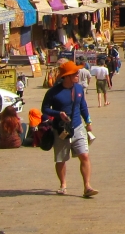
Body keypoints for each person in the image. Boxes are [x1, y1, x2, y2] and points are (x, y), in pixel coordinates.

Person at [42, 61, 96, 197]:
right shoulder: (53, 92)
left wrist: (88, 121)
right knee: (61, 159)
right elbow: (45, 109)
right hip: (60, 130)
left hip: (78, 127)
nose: (78, 74)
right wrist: (58, 114)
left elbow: (83, 105)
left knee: (84, 155)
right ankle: (63, 184)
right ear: (66, 76)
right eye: (75, 73)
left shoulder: (78, 89)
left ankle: (87, 186)